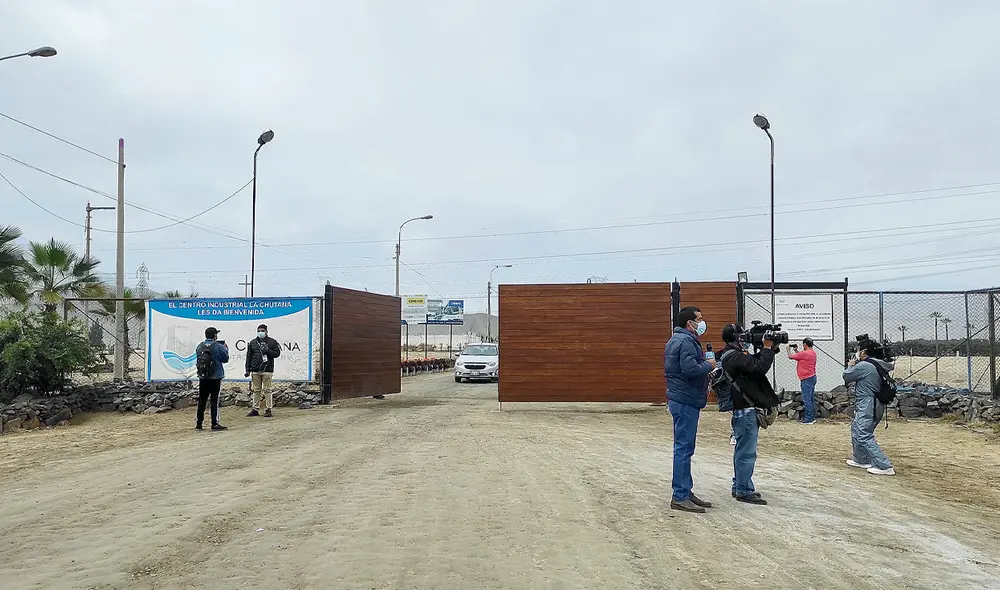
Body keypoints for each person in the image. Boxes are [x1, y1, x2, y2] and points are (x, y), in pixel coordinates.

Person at [719, 324, 780, 505]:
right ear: (736, 338)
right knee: (746, 452)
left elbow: (753, 365)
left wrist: (770, 349)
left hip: (743, 411)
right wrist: (767, 348)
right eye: (743, 335)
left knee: (742, 450)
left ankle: (739, 485)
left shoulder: (733, 356)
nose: (746, 338)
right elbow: (759, 368)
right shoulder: (734, 356)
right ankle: (744, 490)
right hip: (745, 412)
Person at [663, 306, 715, 513]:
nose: (702, 323)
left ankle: (685, 490)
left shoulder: (679, 339)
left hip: (683, 398)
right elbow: (690, 369)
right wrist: (709, 365)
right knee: (684, 449)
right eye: (699, 319)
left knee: (685, 448)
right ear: (689, 323)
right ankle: (680, 495)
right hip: (685, 399)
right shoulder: (685, 341)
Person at [843, 339, 895, 476]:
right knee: (856, 429)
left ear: (864, 352)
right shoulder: (877, 364)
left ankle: (884, 465)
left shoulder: (865, 365)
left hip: (868, 404)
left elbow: (847, 376)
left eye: (859, 349)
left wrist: (850, 365)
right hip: (873, 403)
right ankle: (861, 458)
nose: (857, 352)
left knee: (863, 434)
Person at [195, 326, 229, 431]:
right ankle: (214, 423)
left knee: (202, 400)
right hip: (215, 377)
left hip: (203, 376)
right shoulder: (219, 346)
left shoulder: (200, 346)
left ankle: (199, 423)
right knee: (214, 400)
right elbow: (225, 359)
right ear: (214, 335)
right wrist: (226, 349)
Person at [245, 323, 282, 418]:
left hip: (267, 369)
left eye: (262, 331)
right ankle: (255, 409)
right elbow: (249, 356)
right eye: (259, 331)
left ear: (266, 332)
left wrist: (268, 351)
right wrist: (247, 369)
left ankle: (268, 409)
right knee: (256, 390)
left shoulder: (272, 342)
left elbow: (277, 353)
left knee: (267, 390)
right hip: (255, 369)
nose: (260, 332)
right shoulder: (253, 342)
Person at [787, 338, 818, 424]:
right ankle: (812, 417)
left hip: (806, 378)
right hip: (812, 377)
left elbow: (790, 357)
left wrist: (788, 350)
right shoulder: (812, 353)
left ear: (805, 344)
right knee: (810, 398)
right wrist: (796, 350)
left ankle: (808, 419)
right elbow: (800, 357)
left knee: (807, 399)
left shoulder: (805, 353)